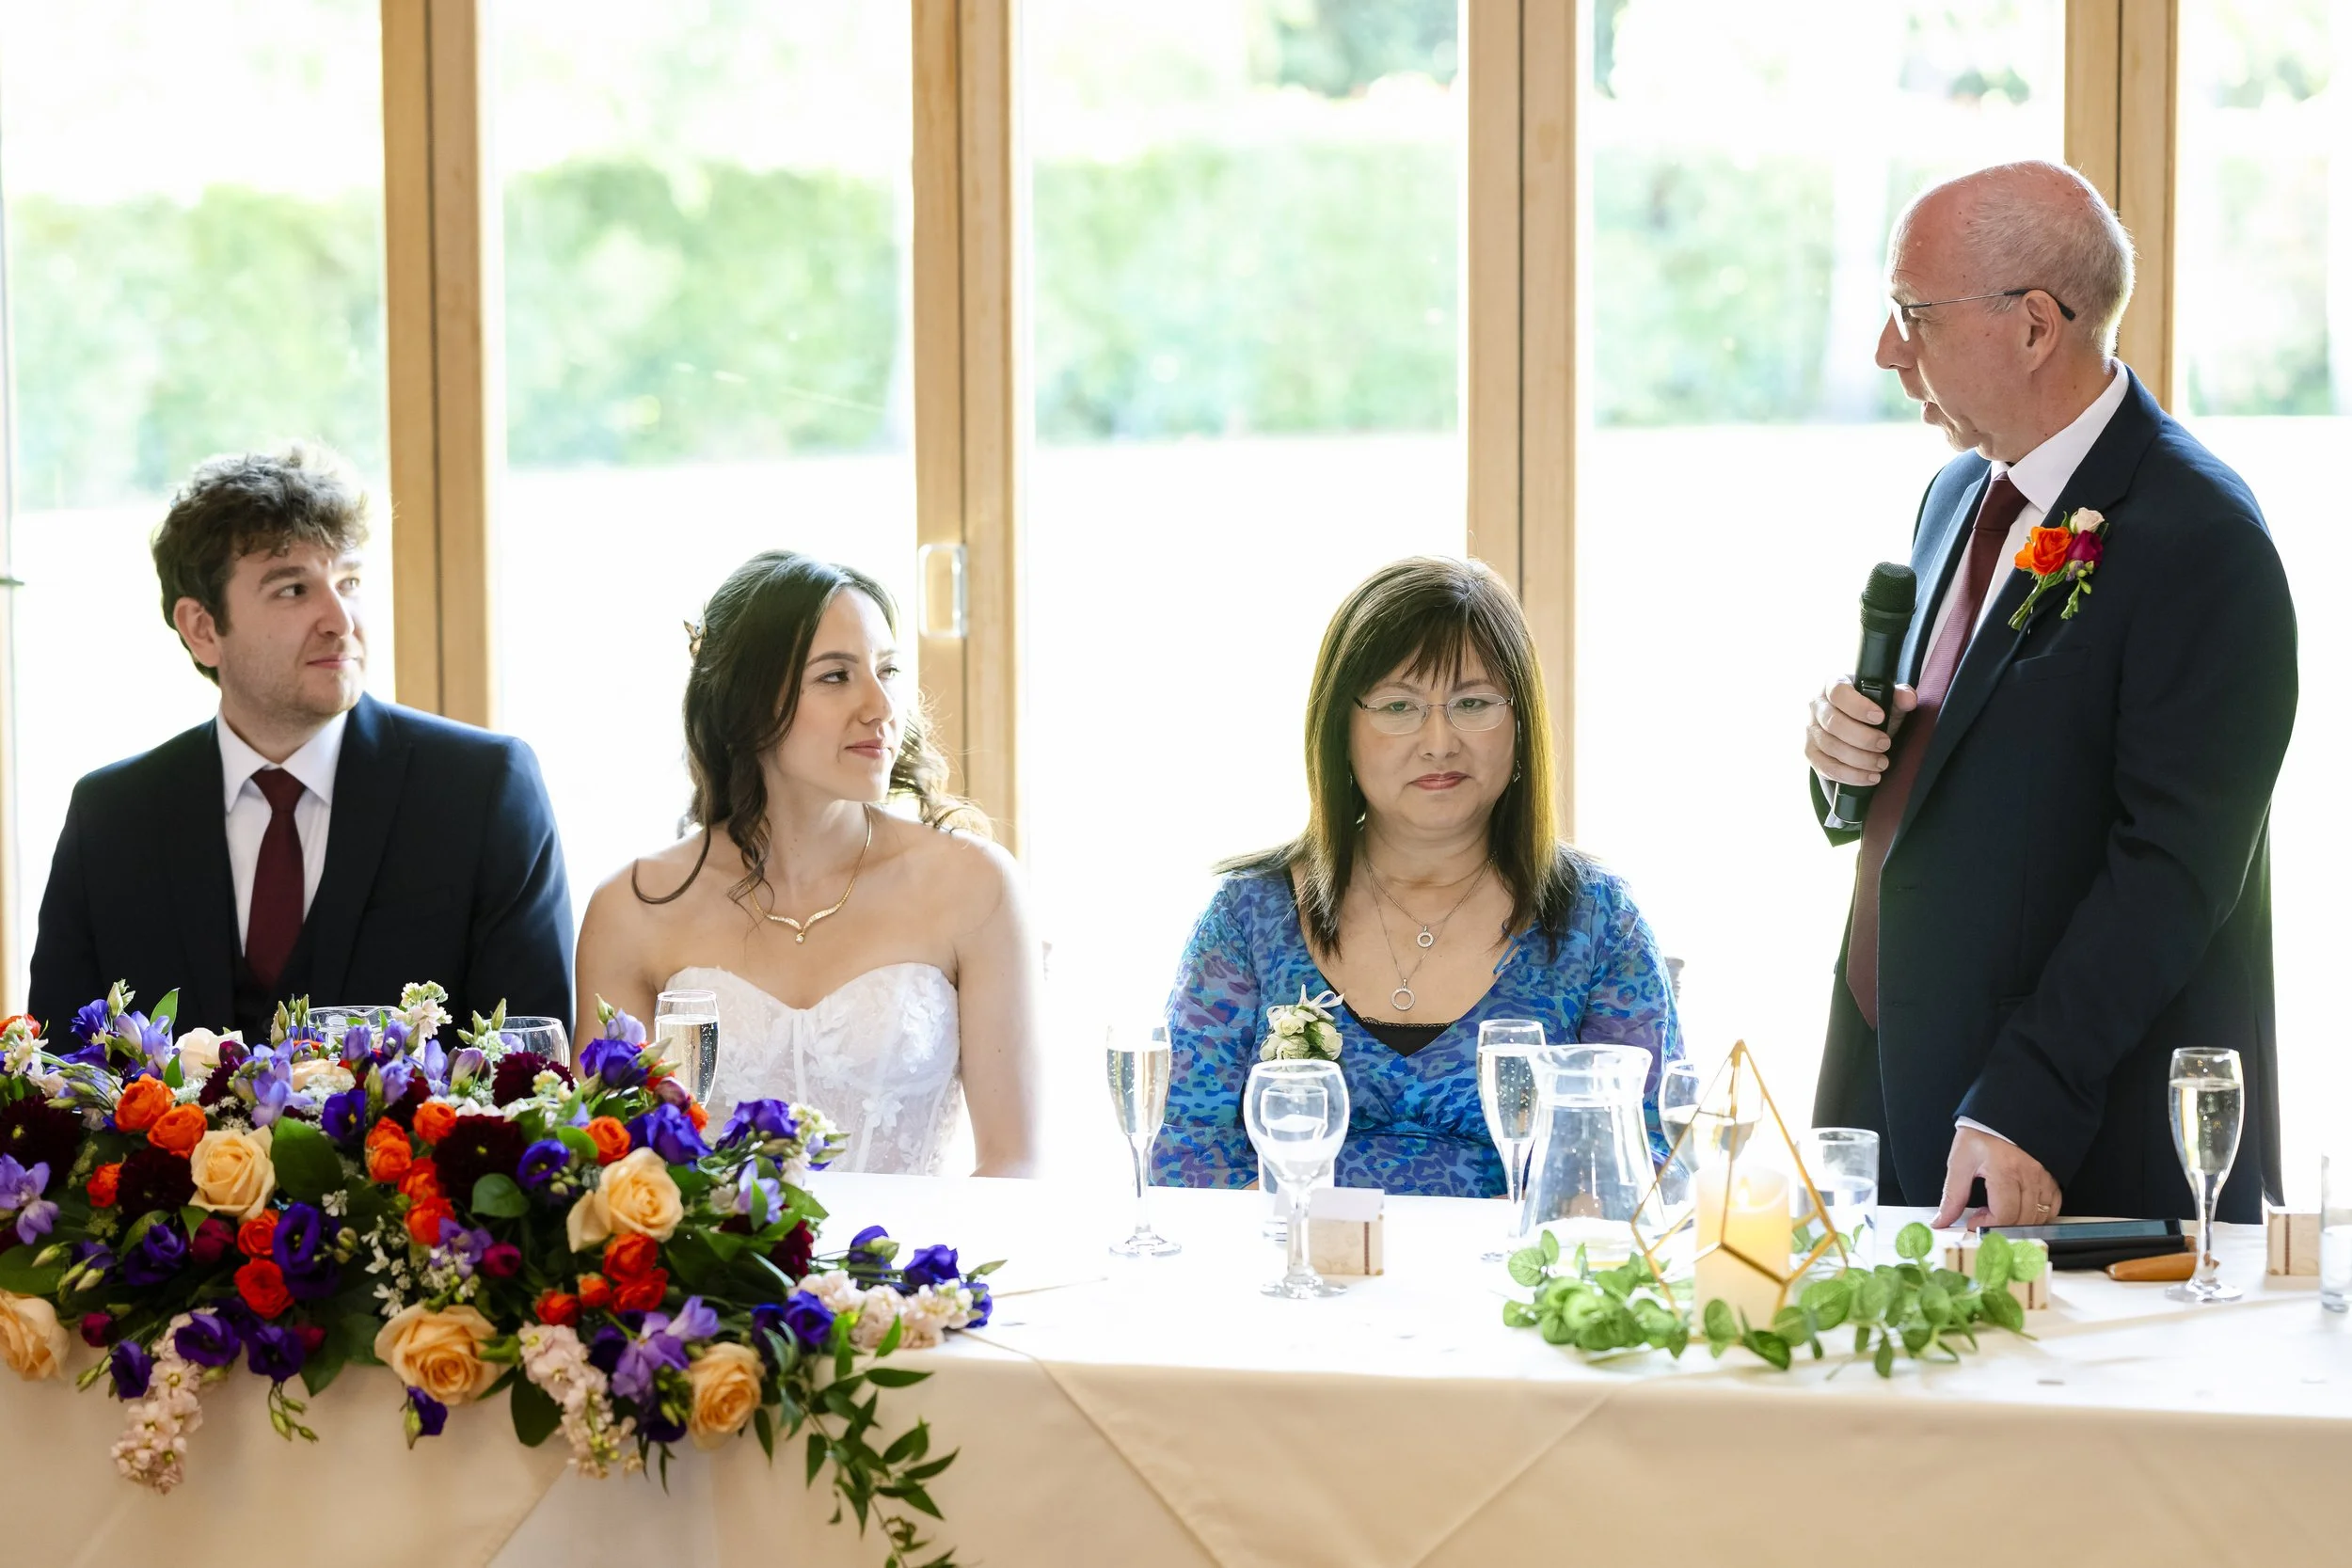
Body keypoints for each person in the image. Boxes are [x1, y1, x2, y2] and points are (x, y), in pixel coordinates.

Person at [1804, 162, 2296, 1227]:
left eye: (1913, 314)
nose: (1889, 350)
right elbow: (1966, 772)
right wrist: (1848, 749)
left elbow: (2170, 869)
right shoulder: (1954, 496)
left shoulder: (2200, 539)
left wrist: (2024, 1098)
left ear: (2034, 325)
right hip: (1895, 1079)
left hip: (2066, 1128)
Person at [1156, 556, 1680, 1198]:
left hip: (1513, 1286)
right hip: (1297, 1282)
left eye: (1473, 702)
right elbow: (1184, 1158)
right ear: (1339, 730)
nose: (1439, 740)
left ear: (1520, 725)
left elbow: (1646, 1162)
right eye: (1399, 705)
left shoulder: (1597, 922)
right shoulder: (1247, 917)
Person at [29, 446, 573, 1043]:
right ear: (203, 628)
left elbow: (530, 1072)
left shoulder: (483, 790)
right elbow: (60, 1081)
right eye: (293, 589)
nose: (340, 619)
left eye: (350, 581)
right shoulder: (111, 817)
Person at [573, 550, 1043, 1177]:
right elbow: (608, 1170)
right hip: (712, 1277)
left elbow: (1014, 1164)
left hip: (915, 1268)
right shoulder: (632, 909)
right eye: (836, 676)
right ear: (748, 703)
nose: (881, 706)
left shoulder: (975, 885)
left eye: (888, 670)